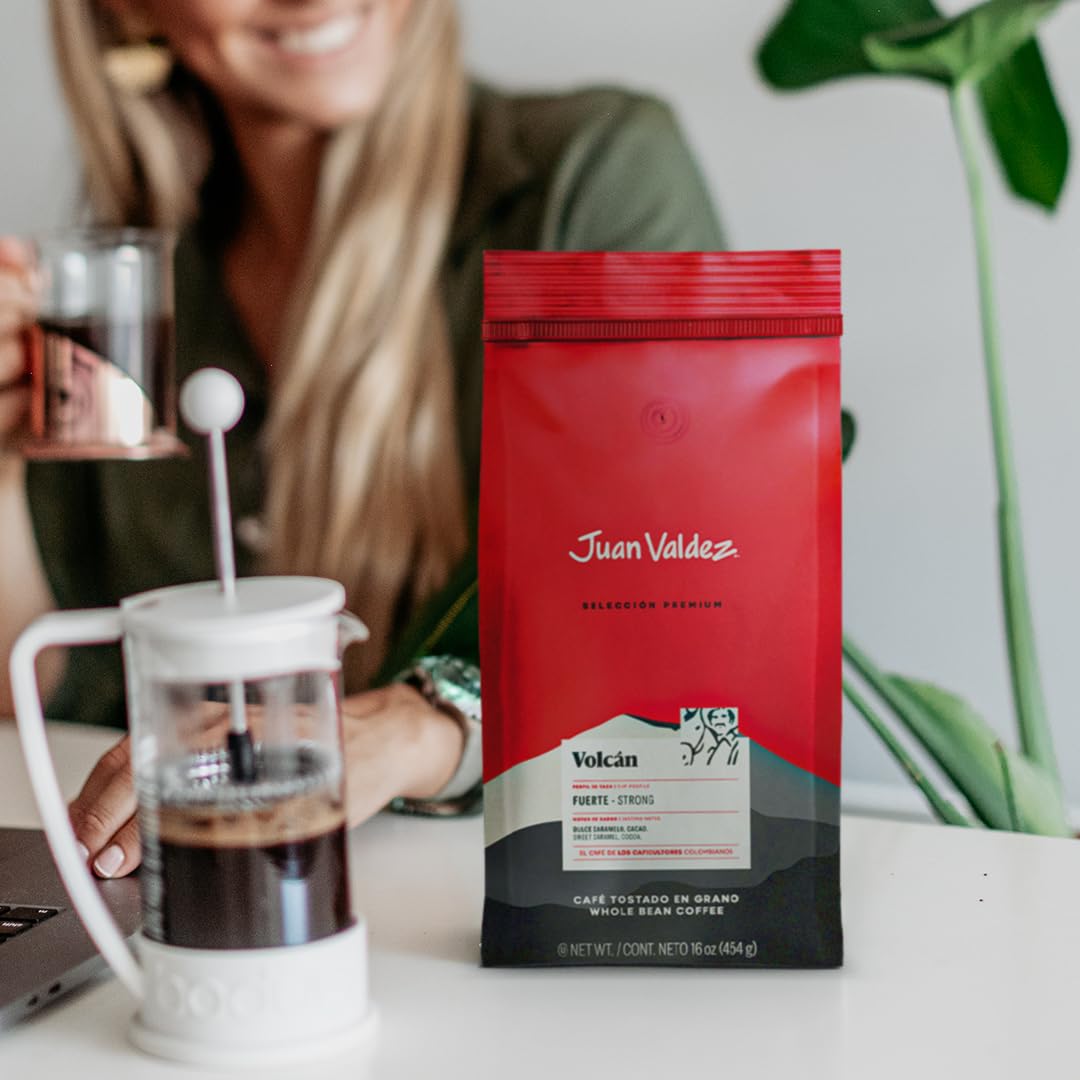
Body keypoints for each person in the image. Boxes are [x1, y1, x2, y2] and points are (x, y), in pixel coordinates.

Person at [0, 0, 723, 878]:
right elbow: (56, 696)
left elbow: (672, 602)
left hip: (531, 887)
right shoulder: (132, 299)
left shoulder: (592, 174)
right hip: (210, 888)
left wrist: (409, 729)